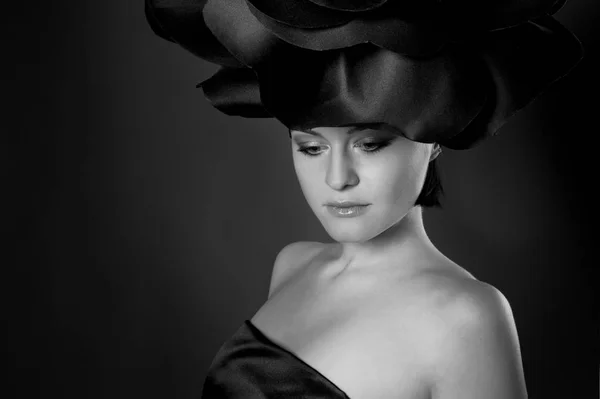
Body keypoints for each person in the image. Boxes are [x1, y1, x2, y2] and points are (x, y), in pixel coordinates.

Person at [145, 0, 583, 397]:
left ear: (433, 140)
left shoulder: (468, 317)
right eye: (311, 148)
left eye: (370, 144)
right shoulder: (292, 265)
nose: (337, 179)